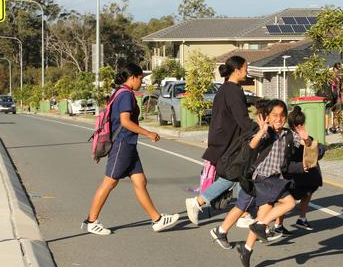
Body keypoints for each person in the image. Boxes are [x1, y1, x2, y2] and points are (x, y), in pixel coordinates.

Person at [82, 63, 179, 235]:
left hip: (128, 144)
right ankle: (91, 221)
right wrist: (148, 133)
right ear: (132, 77)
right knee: (110, 182)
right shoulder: (126, 94)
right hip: (122, 143)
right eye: (140, 78)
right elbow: (125, 121)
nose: (141, 82)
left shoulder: (119, 92)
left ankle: (157, 219)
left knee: (140, 181)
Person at [228, 100, 311, 267]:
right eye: (274, 115)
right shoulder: (267, 133)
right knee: (288, 203)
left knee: (263, 215)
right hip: (264, 178)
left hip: (275, 179)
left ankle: (247, 248)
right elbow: (251, 146)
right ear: (267, 117)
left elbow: (305, 144)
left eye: (282, 115)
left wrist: (306, 139)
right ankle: (260, 226)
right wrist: (262, 131)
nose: (278, 119)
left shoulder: (288, 134)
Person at [185, 56, 254, 225]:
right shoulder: (233, 91)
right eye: (245, 68)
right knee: (233, 176)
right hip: (229, 141)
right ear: (237, 70)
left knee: (241, 175)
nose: (247, 71)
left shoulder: (226, 88)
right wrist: (259, 130)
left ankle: (243, 213)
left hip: (224, 139)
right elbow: (242, 118)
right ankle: (198, 201)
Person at [274, 106, 326, 235]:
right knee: (303, 194)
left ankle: (280, 224)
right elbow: (318, 152)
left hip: (293, 174)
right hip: (300, 174)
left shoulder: (285, 136)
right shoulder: (299, 138)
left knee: (292, 197)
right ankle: (299, 218)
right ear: (302, 124)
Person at [326, 63, 342, 134]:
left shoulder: (339, 77)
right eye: (337, 69)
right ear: (334, 69)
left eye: (339, 69)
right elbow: (329, 85)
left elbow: (340, 87)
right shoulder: (330, 77)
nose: (338, 70)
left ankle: (335, 127)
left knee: (336, 112)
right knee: (328, 112)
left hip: (337, 96)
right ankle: (327, 128)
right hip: (331, 96)